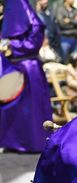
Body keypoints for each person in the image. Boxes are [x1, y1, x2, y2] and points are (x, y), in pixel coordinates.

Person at [0, 0, 52, 153]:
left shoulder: (34, 24)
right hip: (13, 68)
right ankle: (13, 142)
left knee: (31, 109)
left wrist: (10, 46)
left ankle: (33, 142)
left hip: (29, 69)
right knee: (13, 107)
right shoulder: (6, 22)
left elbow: (32, 44)